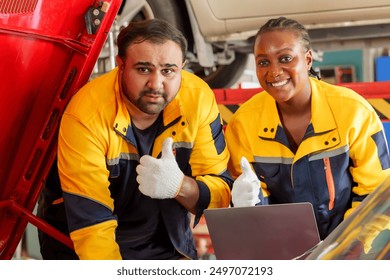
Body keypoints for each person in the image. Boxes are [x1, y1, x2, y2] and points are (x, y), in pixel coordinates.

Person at [37, 18, 232, 260]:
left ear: (182, 67)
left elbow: (220, 195)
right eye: (143, 69)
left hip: (164, 246)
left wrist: (180, 187)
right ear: (121, 66)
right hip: (80, 249)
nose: (156, 83)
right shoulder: (86, 114)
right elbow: (92, 225)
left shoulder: (198, 99)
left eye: (168, 71)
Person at [225, 16, 390, 240]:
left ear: (308, 59)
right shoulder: (243, 123)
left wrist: (345, 249)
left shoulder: (353, 111)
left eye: (285, 58)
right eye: (263, 62)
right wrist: (248, 203)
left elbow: (375, 193)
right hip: (282, 249)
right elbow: (252, 199)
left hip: (349, 245)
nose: (274, 72)